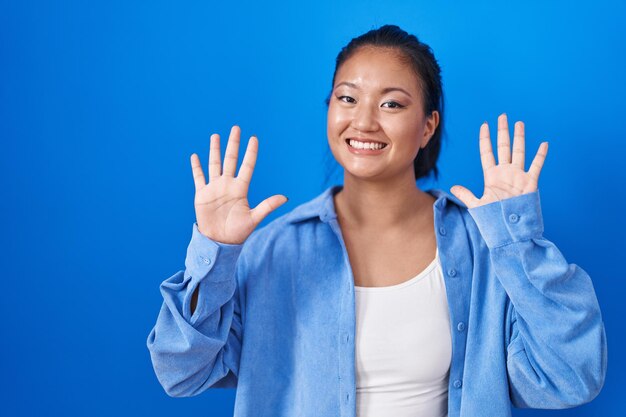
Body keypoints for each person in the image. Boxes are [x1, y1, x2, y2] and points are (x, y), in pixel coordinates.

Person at [146, 25, 607, 417]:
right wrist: (215, 254)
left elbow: (571, 376)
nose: (363, 121)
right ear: (329, 109)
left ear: (427, 126)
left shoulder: (482, 245)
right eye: (347, 98)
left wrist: (518, 243)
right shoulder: (273, 250)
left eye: (391, 104)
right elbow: (181, 372)